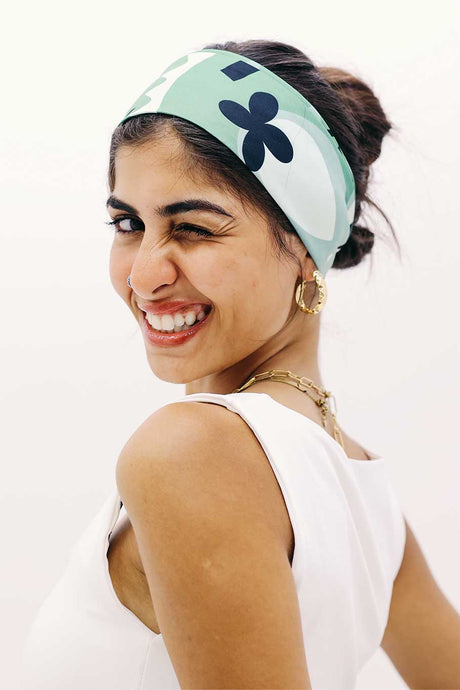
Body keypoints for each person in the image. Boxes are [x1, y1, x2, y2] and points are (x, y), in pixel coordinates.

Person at [21, 39, 460, 690]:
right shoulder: (362, 490)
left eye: (193, 228)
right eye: (127, 224)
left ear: (304, 246)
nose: (144, 275)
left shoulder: (192, 451)